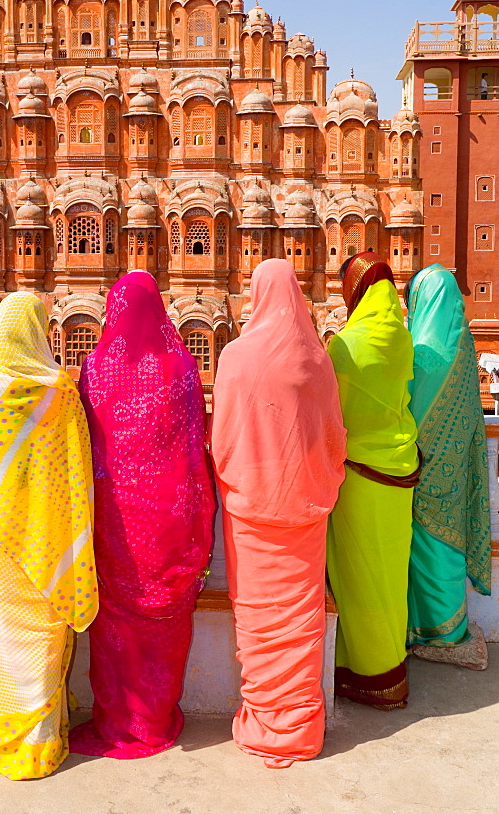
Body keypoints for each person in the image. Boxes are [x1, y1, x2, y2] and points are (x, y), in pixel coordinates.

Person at [69, 270, 215, 759]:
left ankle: (117, 719)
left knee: (116, 623)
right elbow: (196, 448)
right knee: (164, 620)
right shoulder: (181, 366)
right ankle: (153, 717)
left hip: (115, 520)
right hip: (169, 516)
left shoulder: (95, 367)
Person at [210, 259, 347, 768]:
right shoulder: (317, 358)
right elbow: (334, 435)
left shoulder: (237, 356)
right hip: (306, 508)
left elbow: (221, 438)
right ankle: (300, 728)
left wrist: (240, 479)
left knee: (260, 620)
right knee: (299, 617)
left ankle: (268, 721)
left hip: (251, 510)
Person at [0, 291, 97, 780]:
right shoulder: (59, 390)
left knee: (1, 637)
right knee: (41, 635)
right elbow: (77, 466)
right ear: (40, 332)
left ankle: (5, 735)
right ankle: (40, 741)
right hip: (48, 532)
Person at [326, 252, 420, 710]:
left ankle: (363, 674)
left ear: (354, 291)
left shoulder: (343, 346)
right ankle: (392, 670)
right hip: (400, 470)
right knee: (388, 573)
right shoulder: (403, 340)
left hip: (358, 478)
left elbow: (327, 413)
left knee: (356, 574)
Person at [406, 264, 491, 668]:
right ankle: (452, 629)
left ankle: (441, 636)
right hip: (456, 465)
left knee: (426, 546)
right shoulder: (462, 344)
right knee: (447, 543)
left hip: (421, 468)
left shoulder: (422, 353)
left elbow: (405, 401)